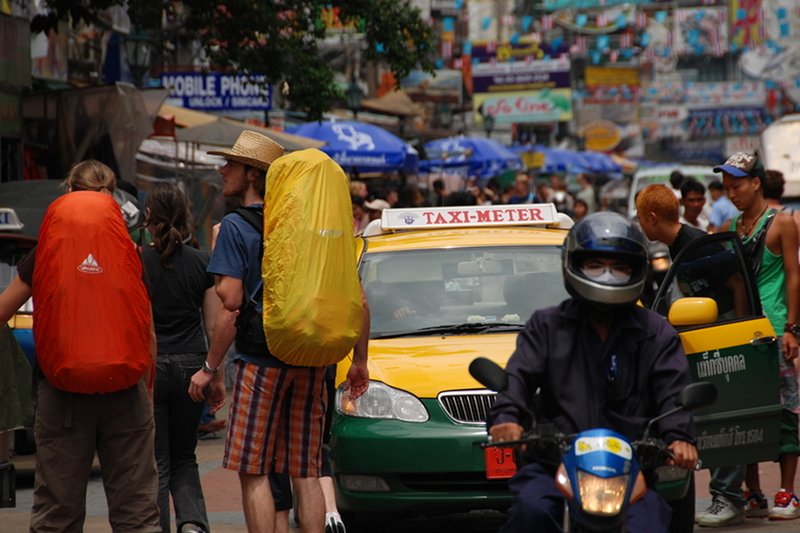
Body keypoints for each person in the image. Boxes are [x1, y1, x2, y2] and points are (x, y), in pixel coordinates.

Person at [188, 131, 370, 533]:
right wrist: (360, 360)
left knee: (253, 470)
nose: (223, 170)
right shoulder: (307, 225)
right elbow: (359, 300)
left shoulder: (236, 225)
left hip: (260, 361)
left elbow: (231, 303)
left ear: (253, 174)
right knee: (305, 469)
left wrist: (210, 367)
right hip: (309, 358)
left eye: (231, 164)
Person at [488, 211, 697, 533]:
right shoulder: (546, 326)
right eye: (595, 264)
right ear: (574, 264)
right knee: (531, 512)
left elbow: (673, 392)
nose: (607, 274)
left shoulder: (656, 332)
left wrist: (679, 437)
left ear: (636, 270)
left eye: (619, 266)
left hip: (628, 470)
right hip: (553, 465)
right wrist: (506, 418)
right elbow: (518, 375)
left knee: (650, 525)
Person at [0, 160, 161, 532]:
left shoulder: (47, 251)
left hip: (62, 393)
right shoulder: (128, 249)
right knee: (136, 512)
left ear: (68, 190)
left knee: (58, 512)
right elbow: (146, 328)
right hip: (126, 392)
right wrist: (145, 390)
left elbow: (6, 308)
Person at [713, 152, 800, 523]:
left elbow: (795, 277)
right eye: (727, 187)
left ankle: (787, 492)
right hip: (742, 332)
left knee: (785, 411)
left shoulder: (783, 223)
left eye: (737, 186)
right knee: (746, 412)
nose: (732, 193)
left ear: (756, 184)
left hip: (775, 331)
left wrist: (793, 329)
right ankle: (753, 491)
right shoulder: (732, 226)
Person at [142, 183, 219, 533]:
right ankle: (192, 524)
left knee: (156, 459)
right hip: (192, 364)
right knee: (185, 455)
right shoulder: (202, 262)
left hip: (152, 366)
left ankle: (157, 527)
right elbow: (214, 324)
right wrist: (214, 375)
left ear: (149, 219)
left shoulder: (137, 261)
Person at [636, 184, 707, 259]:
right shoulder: (678, 243)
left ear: (652, 218)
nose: (640, 224)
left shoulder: (695, 247)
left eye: (639, 218)